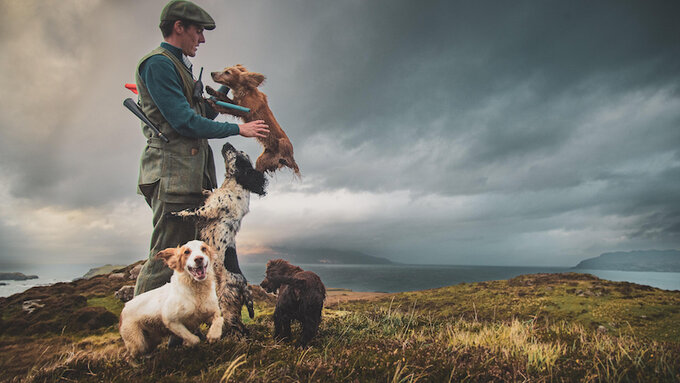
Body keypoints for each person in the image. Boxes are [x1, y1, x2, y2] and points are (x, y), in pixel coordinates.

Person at [133, 0, 269, 297]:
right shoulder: (158, 64)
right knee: (166, 258)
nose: (202, 39)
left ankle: (176, 335)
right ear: (178, 27)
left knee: (192, 260)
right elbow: (186, 123)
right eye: (198, 31)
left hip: (191, 177)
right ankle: (140, 331)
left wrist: (225, 93)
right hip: (173, 176)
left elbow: (201, 116)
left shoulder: (179, 65)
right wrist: (239, 129)